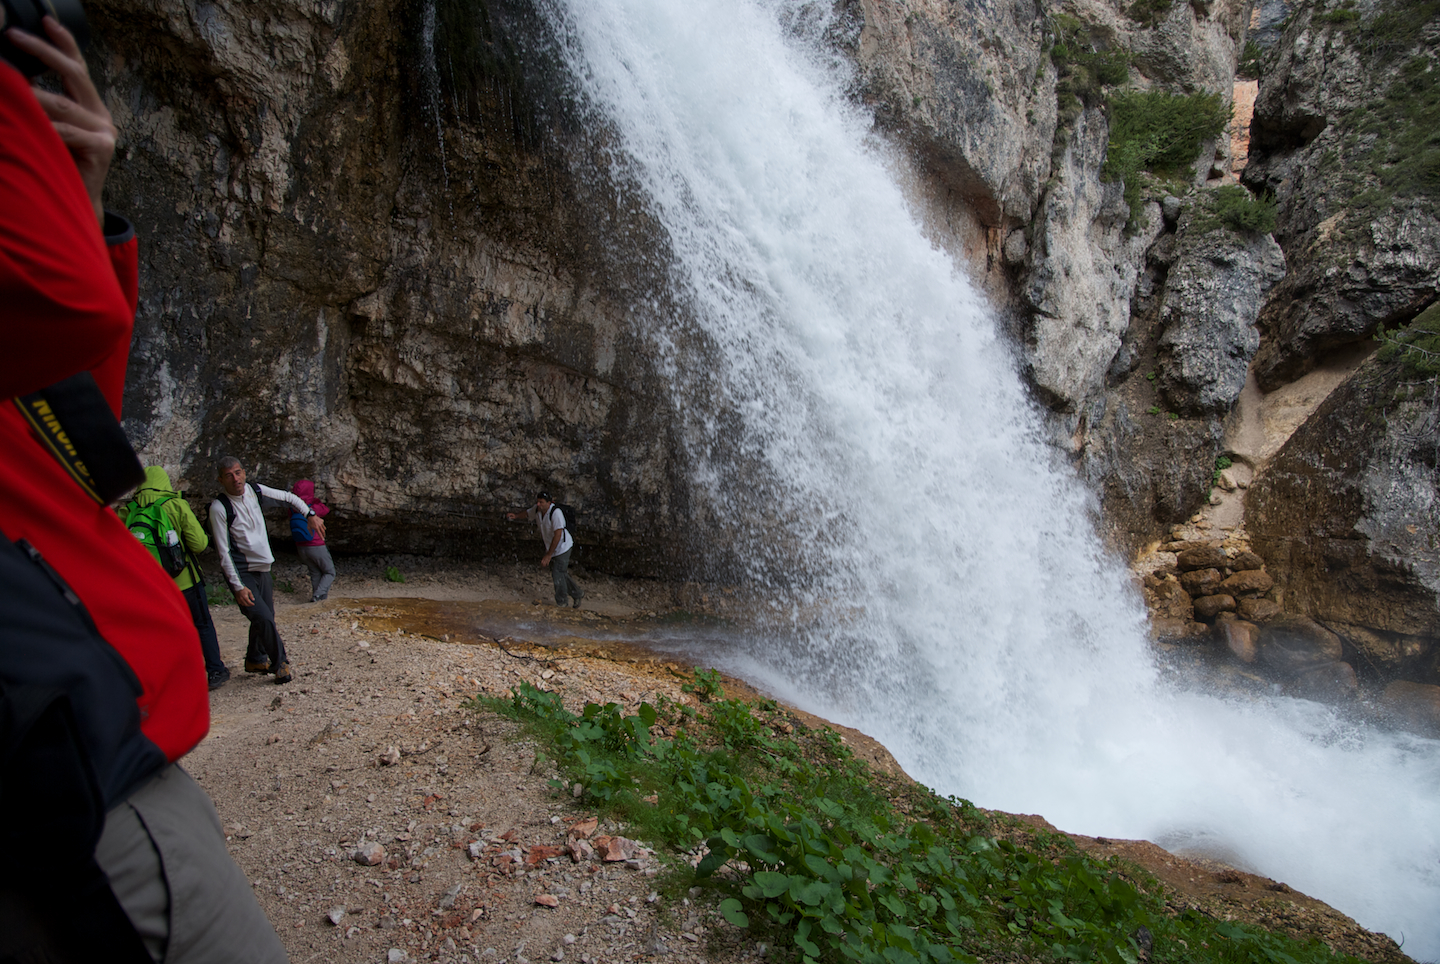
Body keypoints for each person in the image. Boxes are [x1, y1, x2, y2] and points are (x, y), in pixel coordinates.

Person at [0, 10, 289, 963]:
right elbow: (67, 307)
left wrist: (81, 207)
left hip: (83, 738)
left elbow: (79, 451)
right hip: (69, 762)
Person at [209, 457, 323, 684]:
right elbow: (224, 553)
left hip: (263, 567)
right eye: (229, 475)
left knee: (265, 616)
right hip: (242, 571)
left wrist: (309, 515)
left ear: (244, 473)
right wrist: (238, 586)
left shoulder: (255, 491)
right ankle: (281, 664)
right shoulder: (219, 508)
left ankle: (254, 658)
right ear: (221, 480)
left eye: (238, 473)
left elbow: (289, 498)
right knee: (262, 616)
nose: (236, 479)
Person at [120, 465, 231, 689]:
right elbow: (200, 544)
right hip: (185, 581)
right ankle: (215, 670)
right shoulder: (175, 504)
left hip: (150, 586)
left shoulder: (128, 510)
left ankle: (169, 678)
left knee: (160, 631)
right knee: (201, 624)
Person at [507, 491, 584, 608]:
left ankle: (562, 603)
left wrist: (548, 555)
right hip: (552, 548)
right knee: (561, 573)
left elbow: (558, 535)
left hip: (563, 547)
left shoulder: (556, 513)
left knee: (557, 574)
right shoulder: (538, 510)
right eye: (537, 502)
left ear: (549, 503)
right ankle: (578, 593)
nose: (538, 504)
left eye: (541, 502)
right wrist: (516, 516)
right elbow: (528, 513)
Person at [289, 479, 334, 602]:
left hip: (301, 547)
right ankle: (318, 595)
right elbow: (325, 509)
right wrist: (315, 500)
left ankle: (318, 598)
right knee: (330, 572)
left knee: (315, 572)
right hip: (316, 546)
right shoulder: (312, 508)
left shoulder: (292, 509)